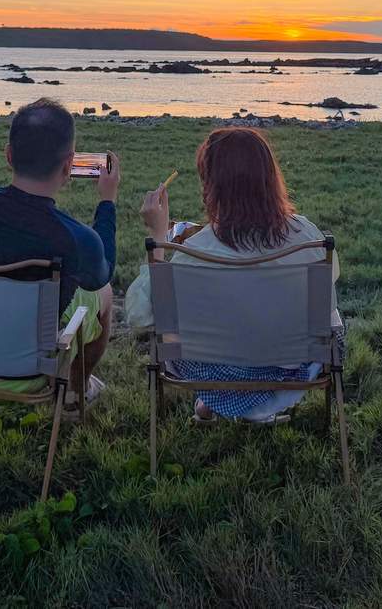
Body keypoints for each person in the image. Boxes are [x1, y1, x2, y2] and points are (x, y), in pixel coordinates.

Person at [128, 127, 331, 423]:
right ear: (269, 178)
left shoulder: (195, 253)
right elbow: (326, 303)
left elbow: (139, 315)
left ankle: (215, 404)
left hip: (213, 377)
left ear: (212, 185)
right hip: (289, 374)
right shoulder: (308, 238)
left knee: (180, 330)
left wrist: (158, 237)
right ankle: (231, 404)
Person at [0, 98, 118, 408]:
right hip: (25, 371)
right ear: (68, 166)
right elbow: (102, 272)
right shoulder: (77, 239)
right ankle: (76, 390)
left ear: (9, 155)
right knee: (103, 293)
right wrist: (107, 201)